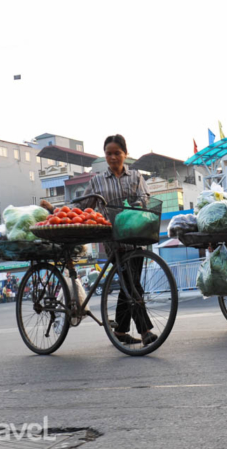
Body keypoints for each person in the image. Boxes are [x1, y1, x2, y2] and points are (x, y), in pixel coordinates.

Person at [77, 134, 157, 346]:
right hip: (115, 243)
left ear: (125, 154)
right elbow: (84, 207)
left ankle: (120, 332)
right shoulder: (97, 181)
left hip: (136, 238)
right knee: (133, 287)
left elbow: (144, 198)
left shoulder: (136, 177)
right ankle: (146, 331)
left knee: (129, 286)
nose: (113, 157)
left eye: (117, 153)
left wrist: (137, 205)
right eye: (109, 154)